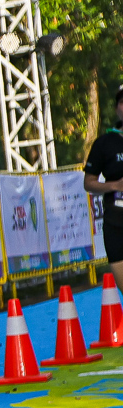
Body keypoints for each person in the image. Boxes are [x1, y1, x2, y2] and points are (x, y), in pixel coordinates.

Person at [81, 84, 123, 286]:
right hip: (116, 223)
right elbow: (88, 183)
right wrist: (114, 186)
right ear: (117, 109)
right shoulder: (104, 143)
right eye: (122, 102)